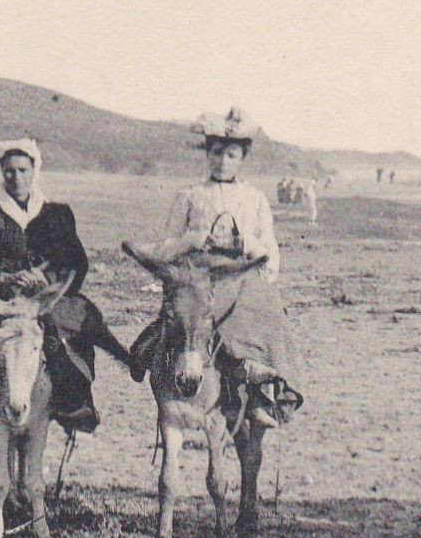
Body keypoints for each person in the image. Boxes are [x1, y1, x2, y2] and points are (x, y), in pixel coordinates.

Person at [0, 137, 128, 434]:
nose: (16, 177)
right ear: (1, 171)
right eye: (10, 170)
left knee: (73, 326)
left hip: (43, 297)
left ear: (34, 170)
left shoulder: (54, 214)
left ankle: (74, 402)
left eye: (23, 170)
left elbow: (73, 261)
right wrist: (2, 278)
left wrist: (46, 279)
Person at [130, 108, 303, 428]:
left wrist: (244, 243)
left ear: (242, 157)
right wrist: (194, 239)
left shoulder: (255, 199)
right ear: (207, 155)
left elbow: (269, 251)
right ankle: (154, 360)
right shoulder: (190, 197)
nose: (223, 161)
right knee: (182, 312)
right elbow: (167, 246)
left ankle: (266, 390)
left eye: (231, 154)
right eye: (216, 153)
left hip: (241, 278)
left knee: (271, 309)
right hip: (198, 278)